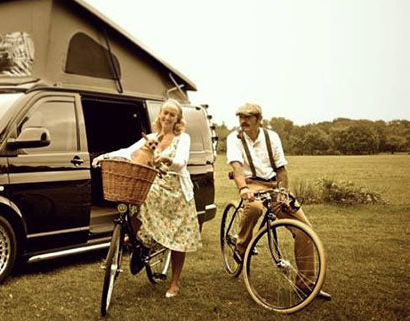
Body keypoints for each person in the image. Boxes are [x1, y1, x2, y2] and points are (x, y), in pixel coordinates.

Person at [92, 99, 201, 298]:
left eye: (172, 115)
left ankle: (174, 282)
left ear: (178, 119)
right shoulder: (151, 137)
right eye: (164, 113)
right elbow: (128, 152)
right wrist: (104, 157)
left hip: (177, 190)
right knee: (137, 196)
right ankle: (138, 241)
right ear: (159, 115)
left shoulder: (182, 138)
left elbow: (182, 162)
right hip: (155, 185)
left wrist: (168, 159)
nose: (167, 117)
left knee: (178, 239)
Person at [226, 102, 330, 299]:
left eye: (248, 117)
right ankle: (241, 246)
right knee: (255, 207)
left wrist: (283, 192)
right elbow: (237, 168)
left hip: (274, 185)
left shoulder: (271, 137)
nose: (243, 121)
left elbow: (281, 170)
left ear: (259, 119)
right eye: (240, 117)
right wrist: (243, 188)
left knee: (304, 230)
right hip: (251, 184)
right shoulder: (235, 138)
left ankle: (306, 286)